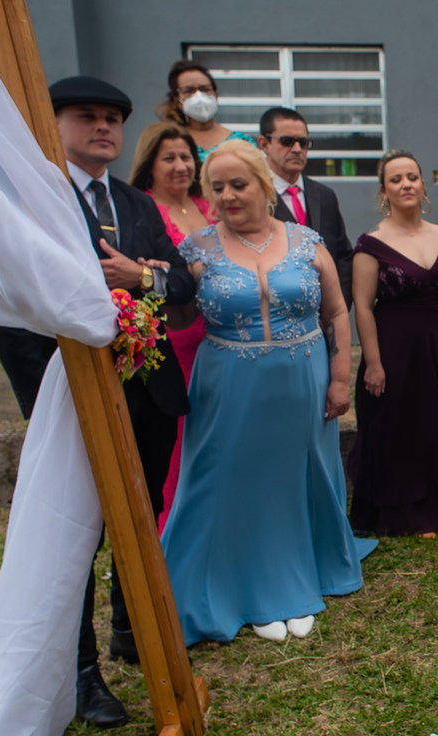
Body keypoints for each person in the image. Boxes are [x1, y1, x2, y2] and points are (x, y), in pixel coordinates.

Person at [0, 76, 196, 729]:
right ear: (55, 123)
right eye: (87, 116)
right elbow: (7, 307)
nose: (102, 127)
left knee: (144, 508)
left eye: (112, 118)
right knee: (80, 529)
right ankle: (80, 671)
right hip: (73, 396)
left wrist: (143, 276)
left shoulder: (135, 201)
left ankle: (133, 630)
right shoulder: (32, 200)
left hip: (147, 392)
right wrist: (50, 385)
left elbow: (180, 279)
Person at [160, 139, 375, 645]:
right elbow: (178, 315)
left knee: (298, 476)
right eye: (217, 188)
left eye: (239, 185)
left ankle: (299, 574)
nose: (228, 196)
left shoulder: (305, 240)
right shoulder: (196, 249)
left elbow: (338, 312)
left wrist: (340, 377)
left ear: (264, 185)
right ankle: (242, 587)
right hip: (226, 384)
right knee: (230, 478)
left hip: (302, 379)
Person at [349, 149, 438, 538]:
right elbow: (363, 308)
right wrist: (373, 363)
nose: (406, 185)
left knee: (435, 425)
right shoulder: (371, 243)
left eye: (412, 177)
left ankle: (437, 506)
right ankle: (400, 513)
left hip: (437, 343)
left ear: (423, 183)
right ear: (383, 190)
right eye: (396, 179)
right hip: (393, 346)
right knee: (397, 427)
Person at [128, 121, 216, 531]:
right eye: (170, 158)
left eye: (187, 157)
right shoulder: (144, 211)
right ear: (149, 164)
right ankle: (175, 532)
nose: (182, 166)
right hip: (176, 342)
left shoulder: (209, 206)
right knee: (180, 444)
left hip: (218, 339)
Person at [259, 107, 356, 309]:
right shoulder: (256, 197)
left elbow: (343, 255)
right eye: (286, 141)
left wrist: (339, 305)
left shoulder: (325, 195)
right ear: (264, 144)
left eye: (303, 142)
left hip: (327, 316)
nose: (296, 149)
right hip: (279, 316)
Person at [155, 60, 257, 163]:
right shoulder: (168, 144)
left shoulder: (242, 142)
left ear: (216, 94)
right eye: (188, 91)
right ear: (177, 101)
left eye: (205, 89)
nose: (199, 96)